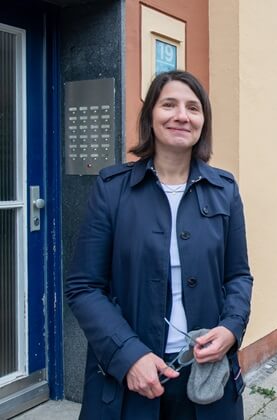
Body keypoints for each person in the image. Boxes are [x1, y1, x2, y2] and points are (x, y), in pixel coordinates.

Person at [65, 70, 252, 420]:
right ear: (151, 116)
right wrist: (128, 354)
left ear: (202, 122)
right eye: (169, 105)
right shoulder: (112, 188)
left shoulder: (224, 190)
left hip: (206, 376)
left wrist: (231, 328)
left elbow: (238, 276)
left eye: (193, 108)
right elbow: (84, 287)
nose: (182, 115)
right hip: (127, 379)